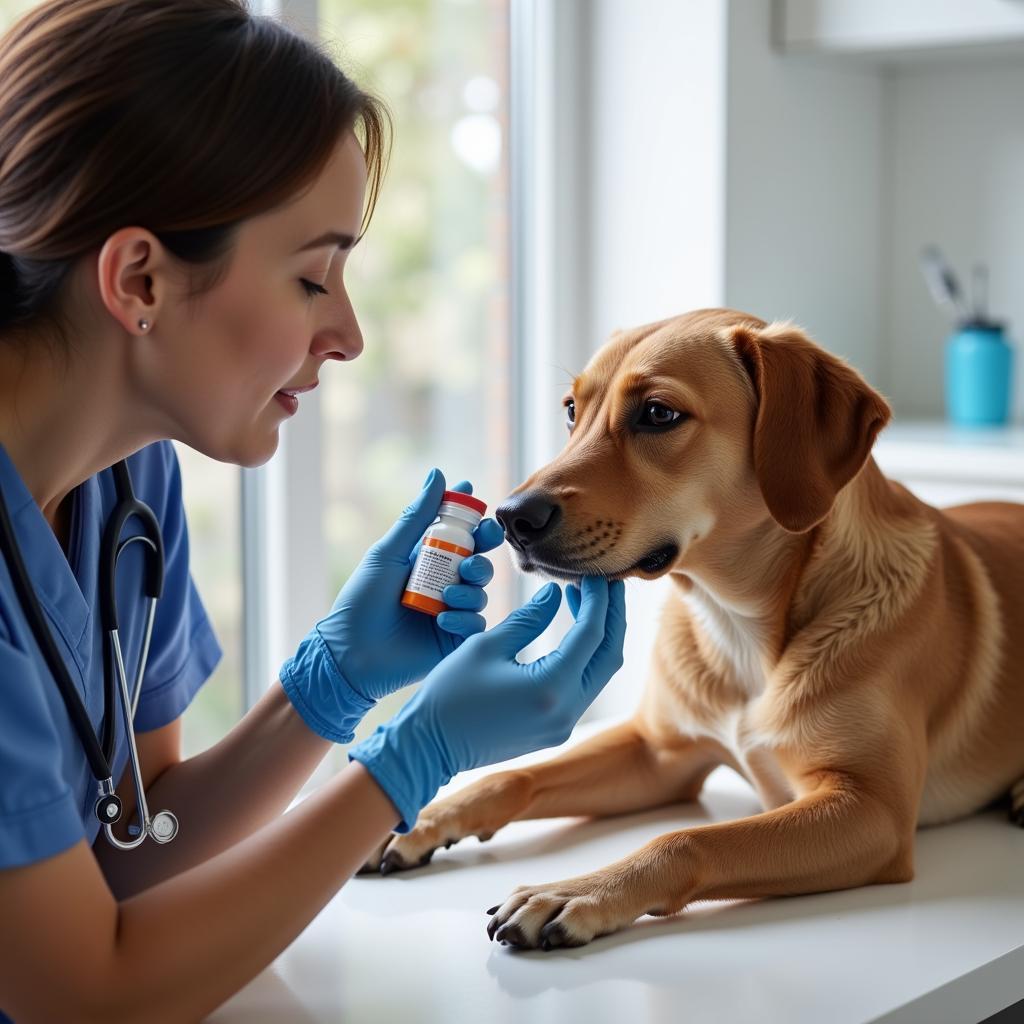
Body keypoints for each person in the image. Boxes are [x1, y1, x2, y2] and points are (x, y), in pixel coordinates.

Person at [0, 0, 627, 1020]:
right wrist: (410, 760)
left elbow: (135, 845)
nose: (348, 334)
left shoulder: (126, 484)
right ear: (139, 277)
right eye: (311, 278)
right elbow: (84, 989)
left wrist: (324, 690)